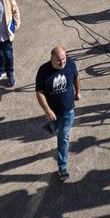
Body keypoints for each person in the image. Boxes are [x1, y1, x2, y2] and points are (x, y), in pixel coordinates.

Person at [34, 46, 80, 180]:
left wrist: (78, 92)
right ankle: (52, 127)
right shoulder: (43, 71)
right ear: (51, 59)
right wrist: (47, 110)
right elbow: (39, 93)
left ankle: (62, 167)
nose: (62, 63)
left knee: (63, 137)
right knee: (57, 130)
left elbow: (76, 77)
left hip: (68, 110)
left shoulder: (70, 63)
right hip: (52, 113)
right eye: (59, 60)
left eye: (64, 59)